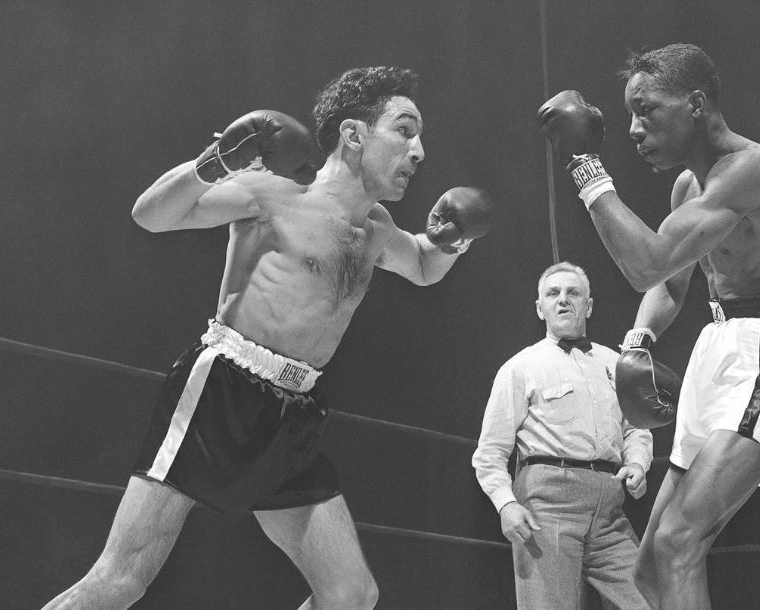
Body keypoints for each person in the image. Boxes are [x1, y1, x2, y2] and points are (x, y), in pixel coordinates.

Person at [44, 66, 493, 609]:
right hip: (222, 390)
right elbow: (152, 216)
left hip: (294, 410)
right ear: (353, 135)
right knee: (122, 579)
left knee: (350, 594)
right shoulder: (276, 191)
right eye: (404, 130)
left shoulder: (377, 229)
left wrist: (454, 240)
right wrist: (215, 163)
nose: (419, 151)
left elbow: (422, 265)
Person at [538, 44, 760, 609]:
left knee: (677, 543)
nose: (634, 129)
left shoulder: (754, 168)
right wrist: (639, 339)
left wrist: (586, 169)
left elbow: (648, 259)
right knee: (648, 570)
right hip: (716, 348)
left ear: (695, 103)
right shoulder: (686, 189)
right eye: (629, 116)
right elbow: (669, 283)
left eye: (647, 110)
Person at [472, 261, 654, 610]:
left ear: (589, 305)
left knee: (648, 602)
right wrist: (505, 503)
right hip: (547, 505)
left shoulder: (617, 364)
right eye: (553, 293)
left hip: (610, 509)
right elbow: (490, 451)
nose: (563, 300)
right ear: (540, 308)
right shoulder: (520, 367)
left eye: (573, 293)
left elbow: (636, 427)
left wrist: (638, 464)